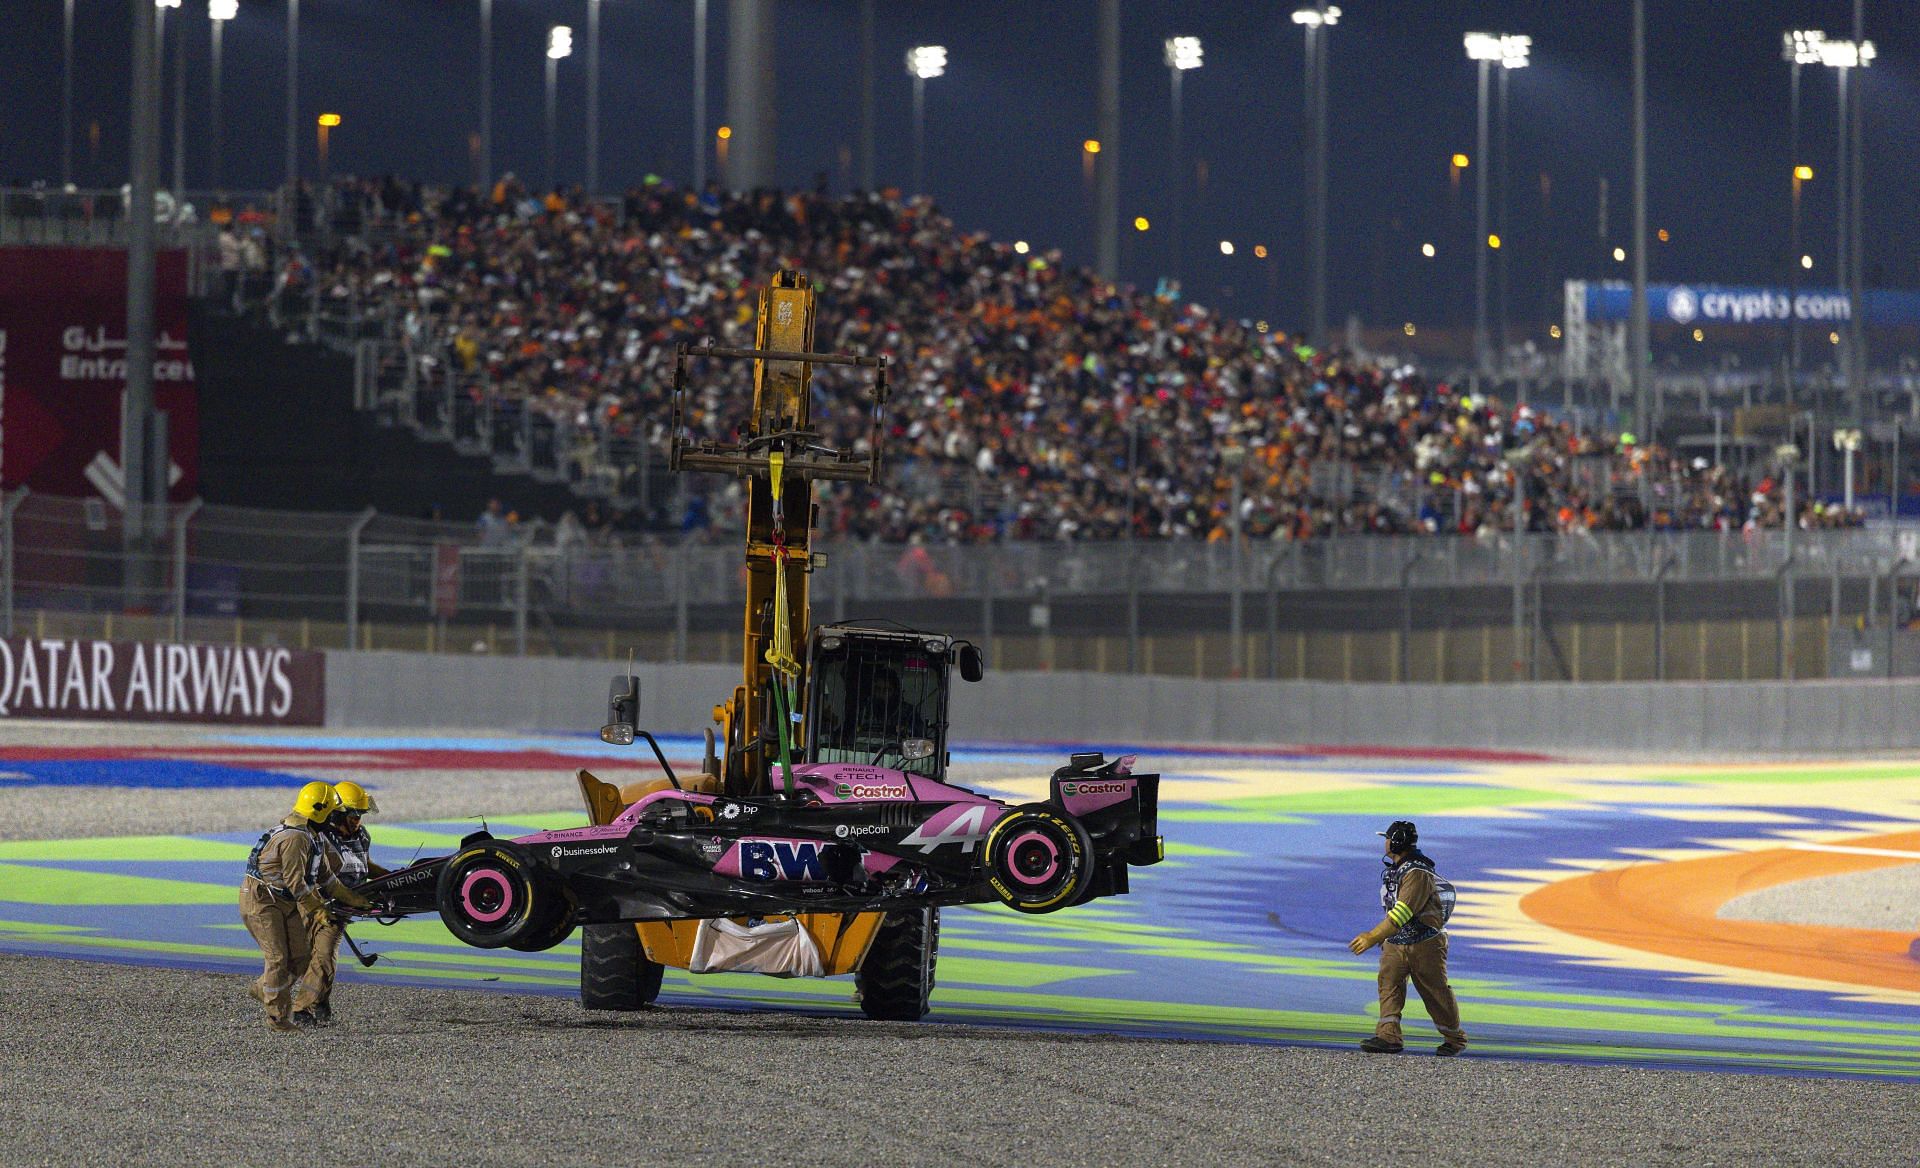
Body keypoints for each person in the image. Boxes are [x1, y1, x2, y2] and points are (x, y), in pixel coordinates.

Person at [239, 782, 365, 1031]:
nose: (334, 818)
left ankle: (264, 988)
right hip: (262, 900)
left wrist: (355, 899)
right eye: (331, 812)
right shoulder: (295, 838)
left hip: (282, 899)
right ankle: (278, 1019)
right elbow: (296, 883)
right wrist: (319, 910)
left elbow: (327, 879)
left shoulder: (312, 836)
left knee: (302, 955)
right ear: (319, 811)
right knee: (278, 957)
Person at [1348, 819, 1466, 1056]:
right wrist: (1385, 938)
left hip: (1425, 943)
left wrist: (1373, 936)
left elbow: (1403, 911)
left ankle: (1454, 1038)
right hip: (1396, 942)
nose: (1386, 843)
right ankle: (1388, 1036)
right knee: (1388, 984)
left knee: (1435, 991)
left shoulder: (1417, 873)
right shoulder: (1397, 872)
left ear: (1397, 841)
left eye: (1388, 838)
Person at [290, 781, 389, 1027]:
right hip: (315, 902)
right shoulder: (320, 838)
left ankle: (303, 1009)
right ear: (337, 814)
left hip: (342, 905)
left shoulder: (363, 836)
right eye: (354, 815)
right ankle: (319, 999)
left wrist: (392, 878)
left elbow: (366, 865)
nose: (359, 820)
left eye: (361, 815)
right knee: (310, 956)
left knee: (324, 955)